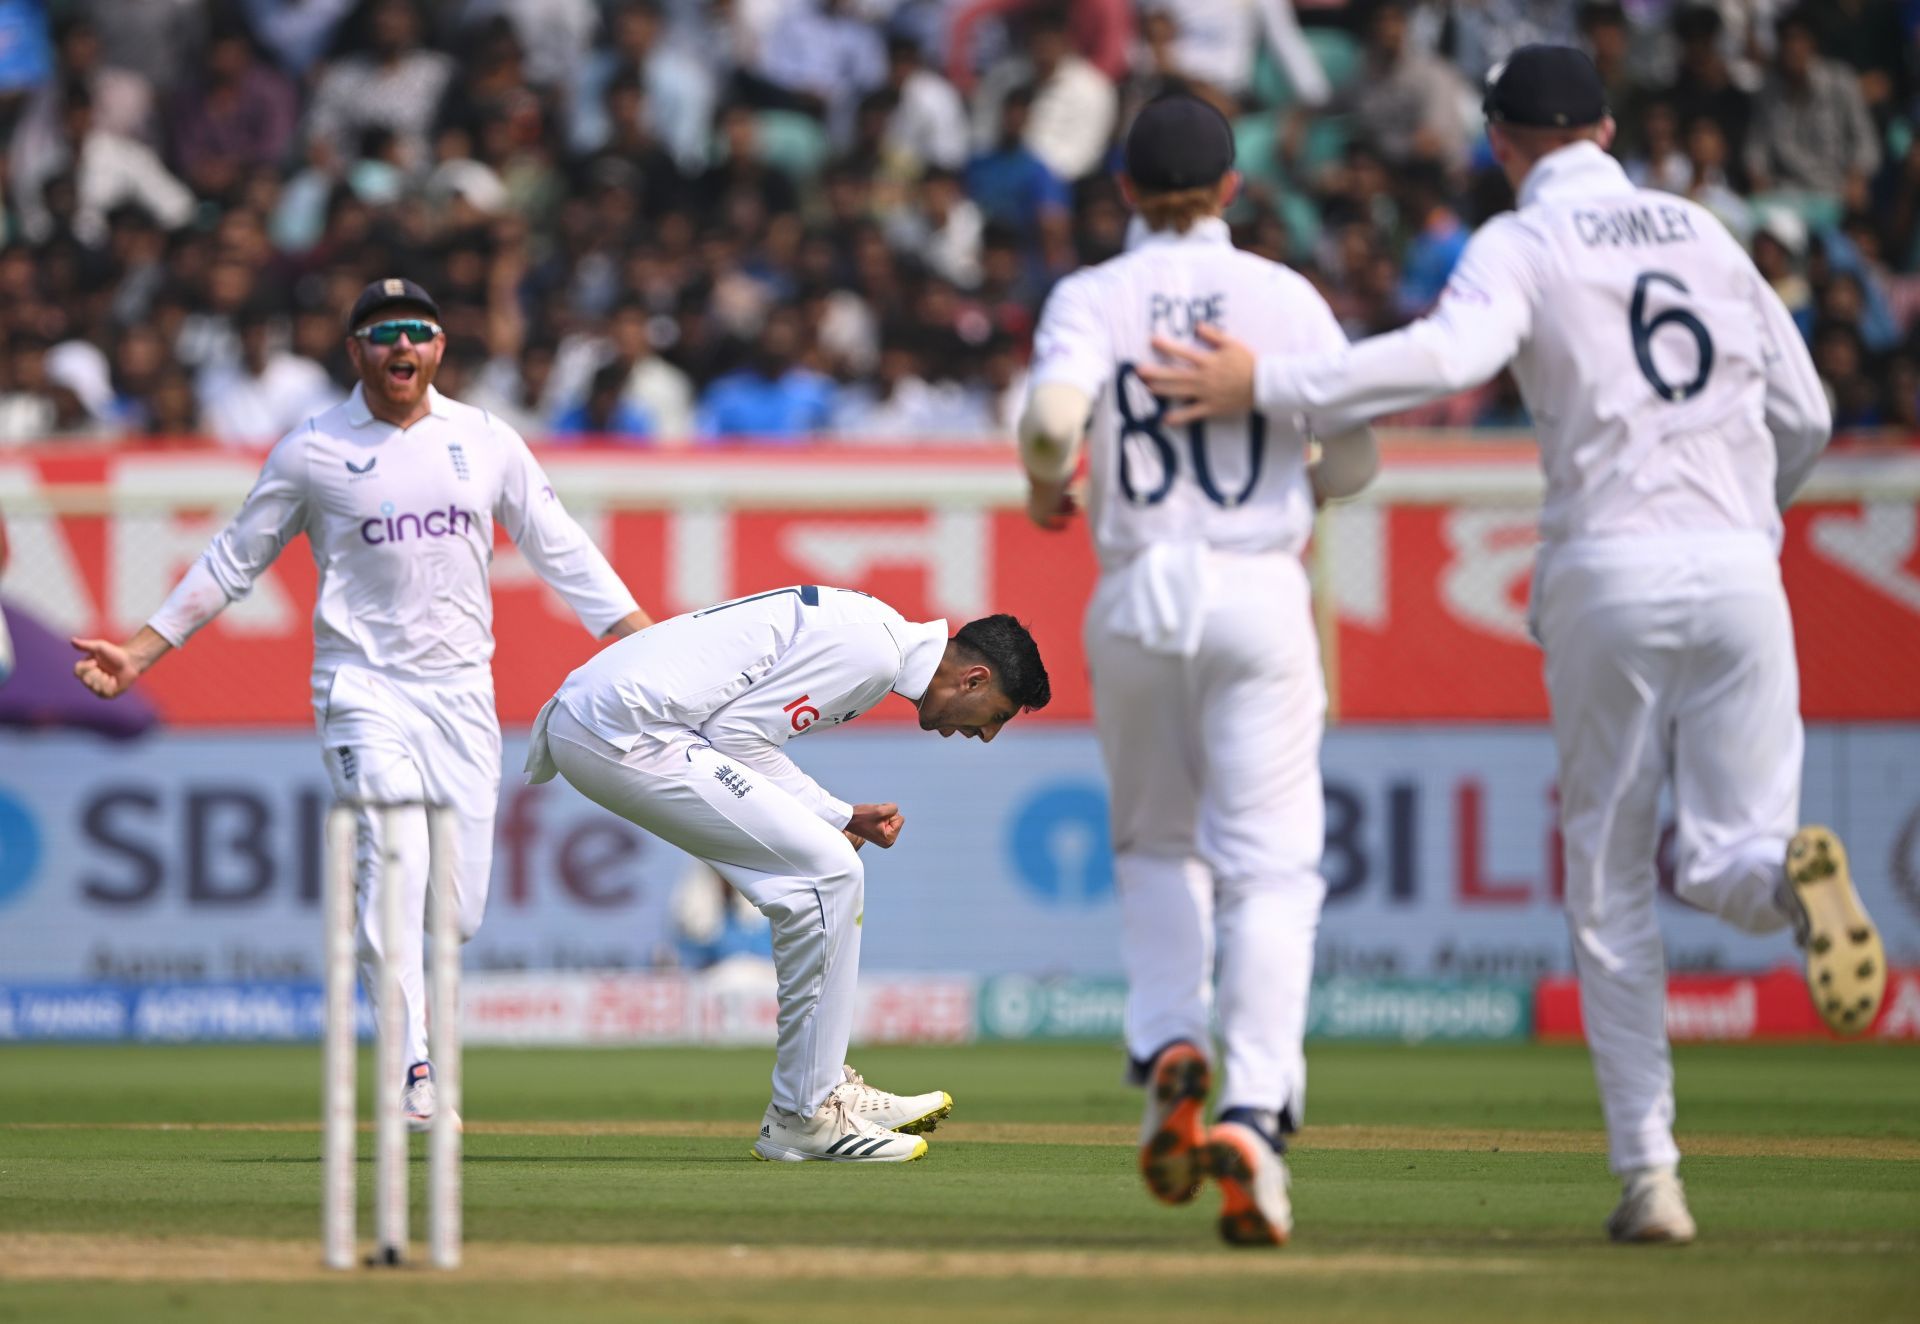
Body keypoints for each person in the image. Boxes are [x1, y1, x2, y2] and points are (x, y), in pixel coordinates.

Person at [1134, 46, 1888, 1246]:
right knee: (1730, 855)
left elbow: (1447, 359)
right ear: (1604, 125)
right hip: (1744, 565)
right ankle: (1787, 885)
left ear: (1501, 141)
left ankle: (1654, 1177)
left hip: (1609, 566)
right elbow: (1801, 410)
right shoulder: (1704, 230)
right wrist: (1747, 512)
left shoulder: (1524, 245)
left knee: (1610, 885)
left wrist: (1269, 381)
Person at [71, 278, 652, 1128]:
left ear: (440, 347)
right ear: (357, 353)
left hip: (461, 697)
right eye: (383, 335)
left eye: (417, 331)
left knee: (452, 915)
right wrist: (140, 650)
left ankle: (407, 1000)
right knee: (394, 865)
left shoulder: (486, 441)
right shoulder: (312, 448)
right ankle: (416, 1075)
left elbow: (560, 549)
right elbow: (236, 557)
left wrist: (646, 640)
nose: (401, 347)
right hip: (362, 690)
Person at [1016, 94, 1379, 1248]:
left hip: (1134, 592)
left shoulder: (1091, 295)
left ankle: (1170, 1034)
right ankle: (1255, 1114)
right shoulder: (1286, 296)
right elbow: (1357, 454)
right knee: (1272, 868)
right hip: (1256, 585)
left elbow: (1049, 425)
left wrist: (1044, 481)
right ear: (1232, 189)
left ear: (1124, 190)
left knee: (1157, 845)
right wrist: (1300, 479)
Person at [525, 587, 1051, 1162]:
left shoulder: (878, 636)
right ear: (973, 679)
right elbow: (736, 736)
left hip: (611, 722)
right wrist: (835, 814)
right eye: (996, 716)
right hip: (624, 730)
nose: (985, 735)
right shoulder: (874, 654)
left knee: (813, 890)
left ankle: (818, 1088)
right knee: (833, 872)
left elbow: (732, 729)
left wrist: (834, 815)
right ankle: (807, 1112)